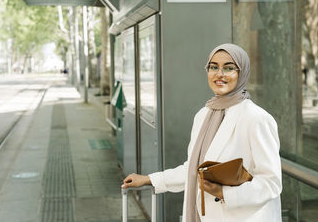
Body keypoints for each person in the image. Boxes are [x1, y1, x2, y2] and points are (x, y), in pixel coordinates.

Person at [121, 43, 282, 222]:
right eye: (214, 67)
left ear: (242, 73)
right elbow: (193, 169)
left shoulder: (256, 118)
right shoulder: (204, 115)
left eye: (229, 68)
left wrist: (224, 193)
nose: (219, 74)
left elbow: (271, 183)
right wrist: (149, 179)